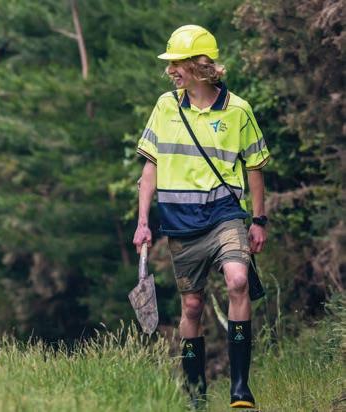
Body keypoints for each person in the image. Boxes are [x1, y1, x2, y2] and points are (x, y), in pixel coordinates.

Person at [132, 25, 270, 409]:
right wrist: (143, 223)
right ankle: (196, 394)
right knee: (191, 307)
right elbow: (149, 169)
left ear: (201, 65)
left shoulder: (239, 110)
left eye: (178, 63)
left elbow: (255, 167)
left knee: (238, 280)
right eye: (170, 64)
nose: (171, 70)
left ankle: (240, 388)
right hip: (180, 222)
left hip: (225, 215)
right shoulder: (165, 106)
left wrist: (259, 220)